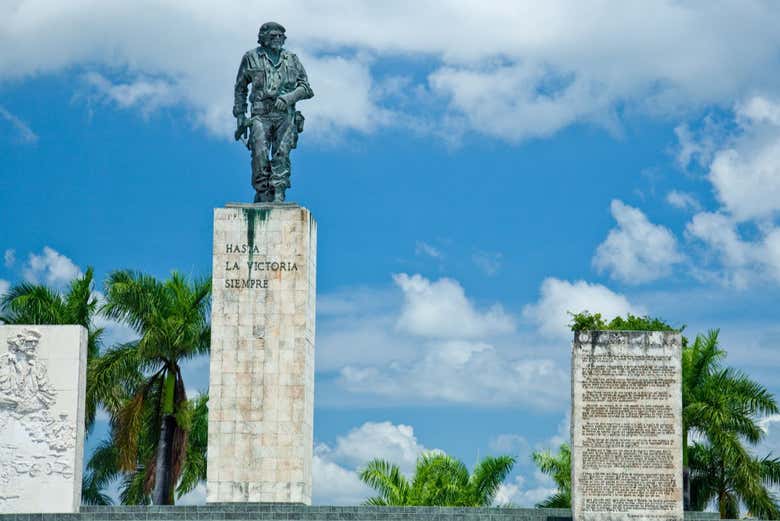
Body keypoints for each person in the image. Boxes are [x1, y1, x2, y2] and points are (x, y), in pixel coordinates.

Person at [234, 22, 314, 203]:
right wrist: (240, 115)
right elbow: (240, 88)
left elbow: (306, 88)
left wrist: (288, 98)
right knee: (259, 153)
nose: (277, 39)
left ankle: (279, 191)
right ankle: (263, 192)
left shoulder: (292, 59)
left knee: (282, 154)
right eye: (273, 36)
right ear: (263, 38)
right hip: (260, 115)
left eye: (280, 36)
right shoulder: (251, 57)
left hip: (285, 115)